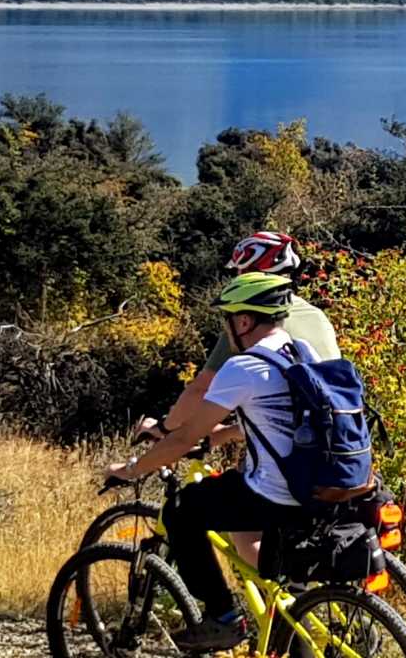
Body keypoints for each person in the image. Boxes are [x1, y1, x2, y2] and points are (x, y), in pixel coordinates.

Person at [105, 272, 314, 652]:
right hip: (315, 490)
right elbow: (277, 422)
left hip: (274, 495)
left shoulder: (245, 367)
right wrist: (222, 435)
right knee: (283, 585)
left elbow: (183, 438)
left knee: (183, 510)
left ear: (245, 320)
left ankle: (222, 616)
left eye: (228, 318)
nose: (227, 328)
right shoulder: (302, 354)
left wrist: (133, 469)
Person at [140, 231, 338, 567]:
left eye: (239, 274)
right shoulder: (318, 317)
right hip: (335, 452)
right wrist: (231, 430)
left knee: (224, 524)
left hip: (290, 464)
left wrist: (165, 428)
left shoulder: (253, 321)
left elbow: (200, 388)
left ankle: (245, 611)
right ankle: (294, 596)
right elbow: (296, 401)